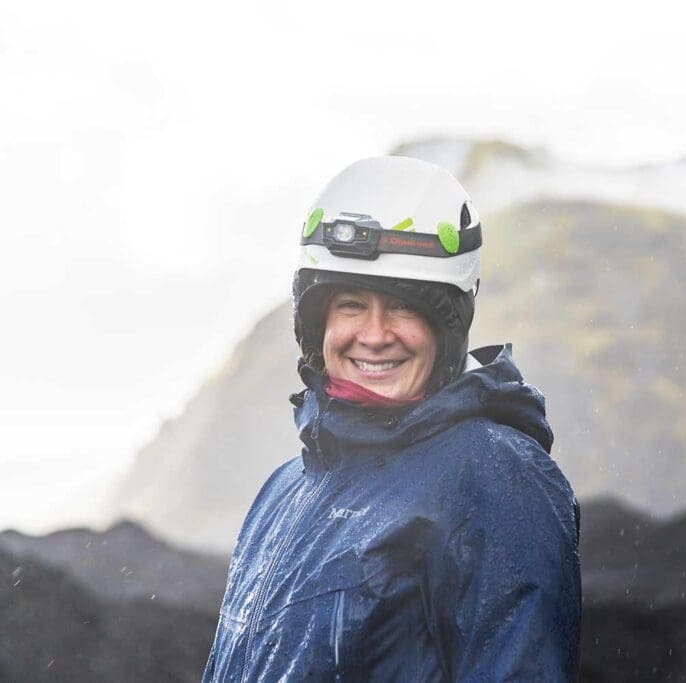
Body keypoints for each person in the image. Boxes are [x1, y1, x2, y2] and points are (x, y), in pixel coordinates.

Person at [202, 156, 582, 681]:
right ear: (316, 323)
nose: (375, 335)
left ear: (447, 326)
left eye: (404, 306)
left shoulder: (496, 479)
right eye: (351, 304)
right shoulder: (284, 490)